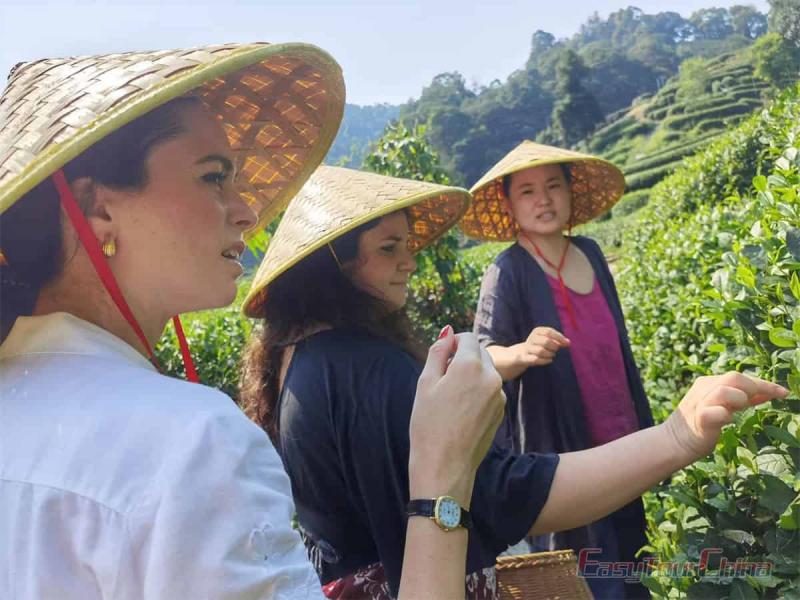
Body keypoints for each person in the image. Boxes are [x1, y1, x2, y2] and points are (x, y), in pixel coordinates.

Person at [0, 45, 504, 600]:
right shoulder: (190, 443)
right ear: (97, 207)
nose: (245, 212)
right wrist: (443, 475)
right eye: (213, 177)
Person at [240, 165, 787, 600]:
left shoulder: (301, 357)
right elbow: (503, 492)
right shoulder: (371, 367)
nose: (410, 261)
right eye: (389, 248)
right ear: (335, 261)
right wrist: (676, 437)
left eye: (408, 244)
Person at [461, 140, 654, 598]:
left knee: (635, 570)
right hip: (564, 458)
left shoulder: (588, 251)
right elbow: (481, 358)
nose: (543, 199)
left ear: (570, 192)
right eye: (527, 191)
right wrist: (522, 351)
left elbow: (618, 350)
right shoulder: (508, 271)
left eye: (553, 186)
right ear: (508, 203)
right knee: (593, 580)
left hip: (621, 442)